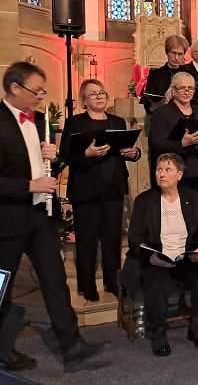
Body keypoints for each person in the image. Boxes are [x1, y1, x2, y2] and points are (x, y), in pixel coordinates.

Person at [0, 61, 102, 372]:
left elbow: (46, 169)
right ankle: (3, 350)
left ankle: (71, 345)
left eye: (43, 91)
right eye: (36, 91)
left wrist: (55, 158)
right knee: (2, 289)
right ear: (14, 88)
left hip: (39, 216)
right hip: (7, 220)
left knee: (55, 279)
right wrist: (30, 186)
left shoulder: (40, 119)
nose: (41, 97)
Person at [60, 79, 141, 302]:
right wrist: (86, 154)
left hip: (113, 186)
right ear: (84, 101)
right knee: (86, 238)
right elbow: (65, 155)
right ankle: (87, 285)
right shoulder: (75, 123)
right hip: (86, 188)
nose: (98, 97)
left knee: (112, 236)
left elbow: (127, 150)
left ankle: (112, 281)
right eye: (93, 94)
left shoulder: (117, 121)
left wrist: (134, 153)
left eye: (101, 93)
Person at [128, 153, 198, 356]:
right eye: (159, 169)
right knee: (155, 281)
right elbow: (135, 238)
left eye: (168, 170)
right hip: (157, 258)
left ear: (180, 174)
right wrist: (151, 257)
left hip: (185, 256)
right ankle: (158, 331)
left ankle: (197, 326)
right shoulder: (145, 201)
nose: (162, 174)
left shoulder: (192, 198)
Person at [148, 72, 198, 195]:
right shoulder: (162, 113)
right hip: (178, 173)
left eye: (191, 88)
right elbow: (156, 145)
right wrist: (182, 143)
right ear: (173, 89)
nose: (187, 92)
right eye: (182, 88)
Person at [140, 34, 191, 115]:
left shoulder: (188, 74)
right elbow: (148, 103)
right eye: (173, 53)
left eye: (180, 54)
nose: (176, 58)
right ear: (167, 52)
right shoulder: (156, 74)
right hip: (161, 115)